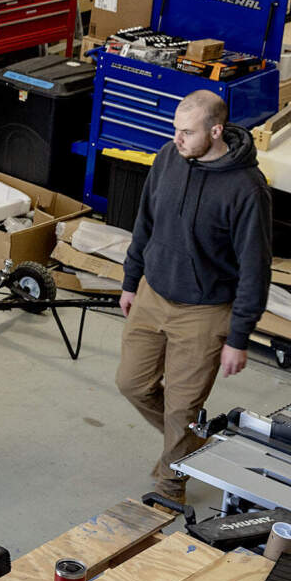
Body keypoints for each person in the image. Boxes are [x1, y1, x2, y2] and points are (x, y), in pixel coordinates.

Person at [115, 90, 271, 504]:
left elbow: (255, 269)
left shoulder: (247, 190)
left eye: (187, 132)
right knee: (131, 383)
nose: (177, 139)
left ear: (215, 131)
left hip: (204, 311)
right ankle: (189, 442)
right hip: (154, 292)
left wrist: (238, 337)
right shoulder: (169, 158)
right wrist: (132, 281)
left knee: (182, 408)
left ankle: (170, 486)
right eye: (175, 130)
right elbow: (144, 220)